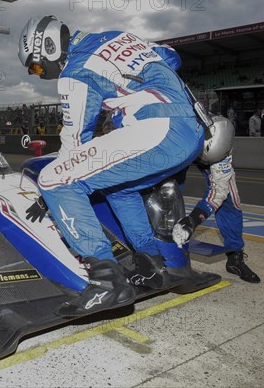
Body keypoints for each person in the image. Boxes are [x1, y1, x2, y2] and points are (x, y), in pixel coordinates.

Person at [19, 16, 205, 314]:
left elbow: (76, 138)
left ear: (49, 47)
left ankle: (106, 282)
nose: (40, 75)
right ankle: (151, 261)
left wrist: (48, 195)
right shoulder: (119, 36)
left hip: (158, 129)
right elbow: (171, 55)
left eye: (37, 66)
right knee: (118, 188)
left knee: (55, 178)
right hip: (192, 132)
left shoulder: (75, 69)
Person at [172, 117, 260, 284]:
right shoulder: (177, 128)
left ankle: (235, 257)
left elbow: (219, 191)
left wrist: (193, 220)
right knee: (168, 189)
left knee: (230, 200)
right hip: (181, 147)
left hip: (211, 156)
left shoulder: (223, 147)